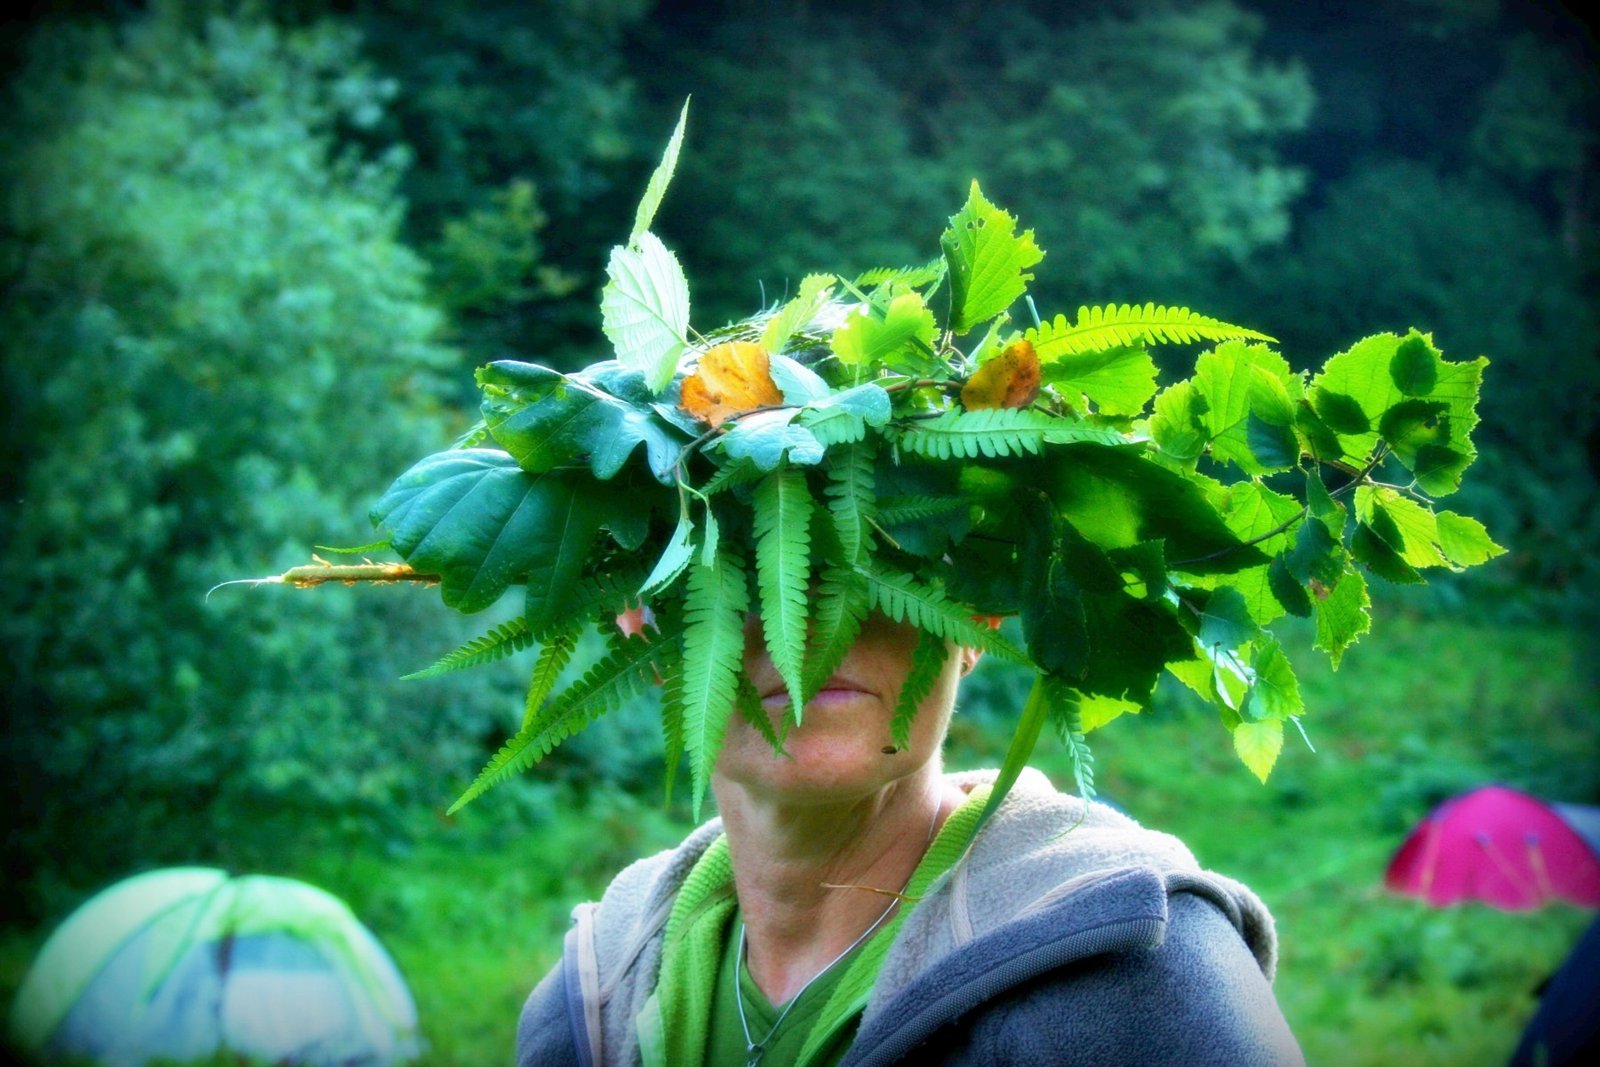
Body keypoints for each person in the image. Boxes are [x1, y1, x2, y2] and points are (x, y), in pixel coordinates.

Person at [516, 608, 1305, 1066]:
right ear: (642, 626)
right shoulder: (593, 997)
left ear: (977, 615)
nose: (808, 618)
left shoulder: (1135, 976)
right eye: (740, 558)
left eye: (886, 549)